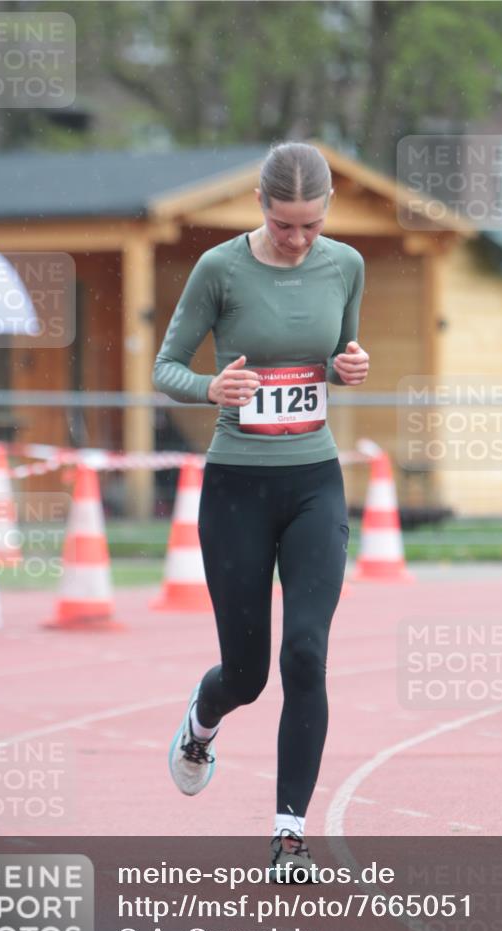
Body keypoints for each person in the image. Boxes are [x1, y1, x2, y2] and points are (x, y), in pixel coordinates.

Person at [153, 141, 369, 881]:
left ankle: (288, 836)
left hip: (314, 481)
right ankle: (199, 724)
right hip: (237, 487)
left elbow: (340, 352)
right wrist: (210, 389)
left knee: (305, 653)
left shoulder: (346, 265)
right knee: (246, 676)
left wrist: (350, 367)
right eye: (285, 225)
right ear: (259, 205)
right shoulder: (219, 269)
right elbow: (166, 367)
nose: (299, 239)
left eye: (311, 225)